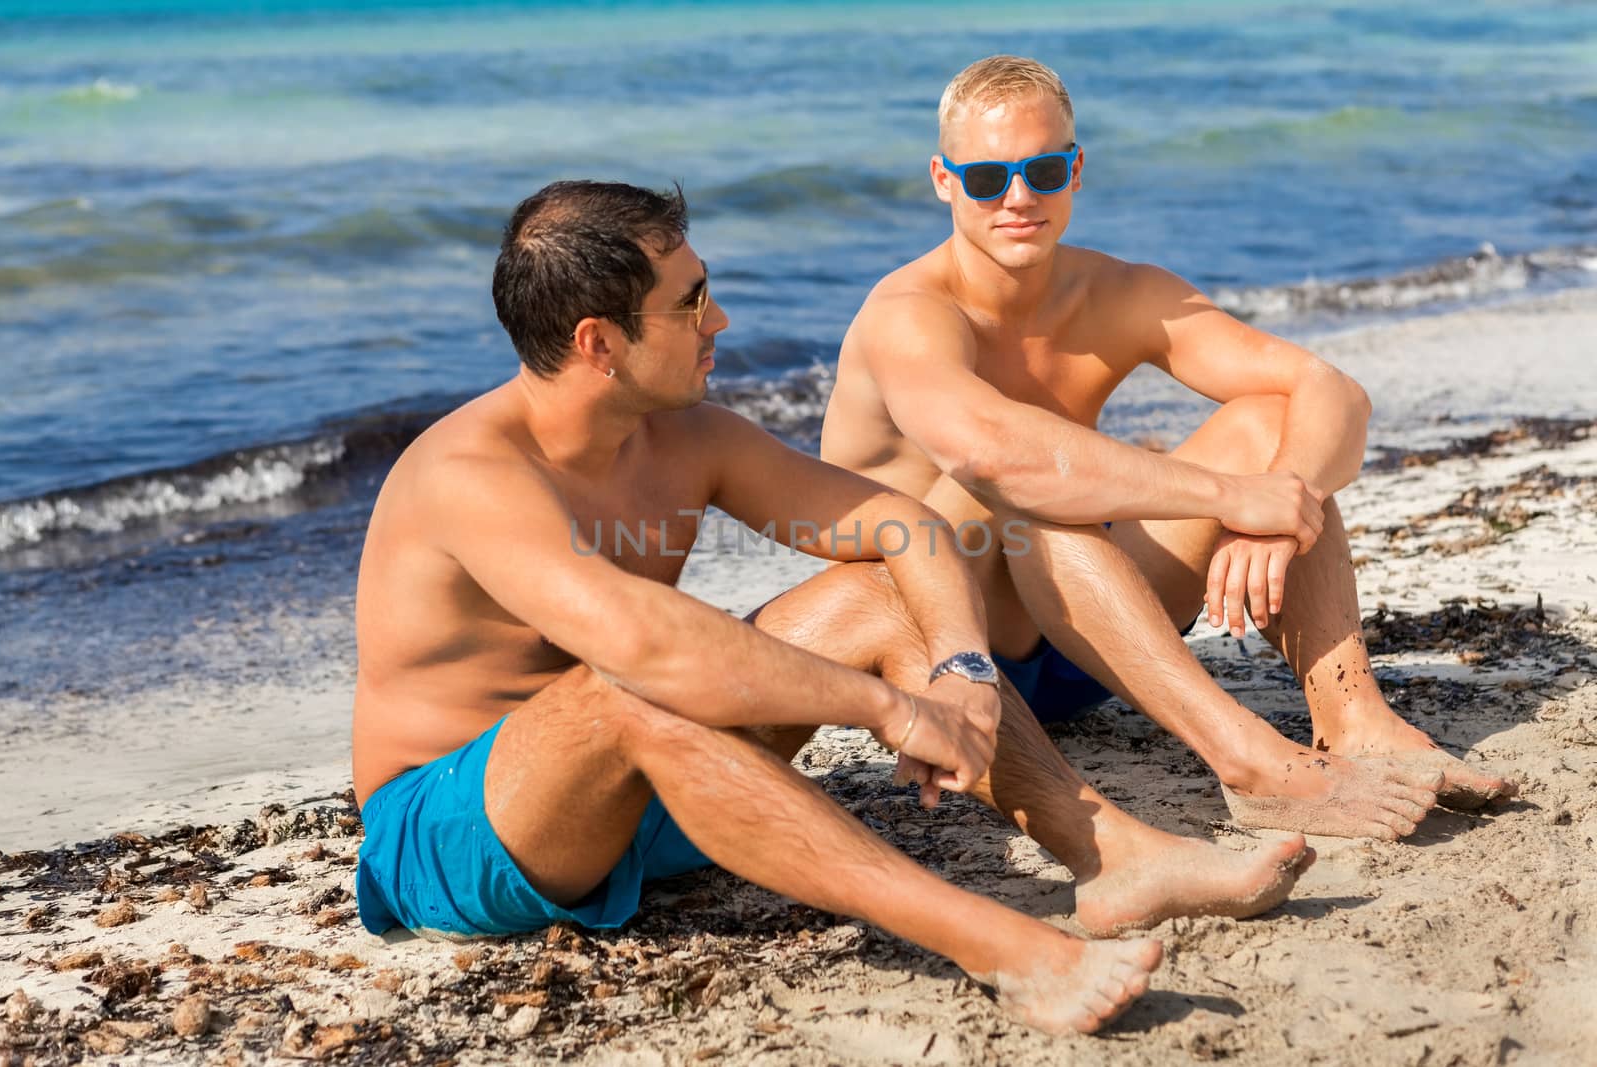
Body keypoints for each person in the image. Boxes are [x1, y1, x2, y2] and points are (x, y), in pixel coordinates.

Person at [350, 180, 1318, 1036]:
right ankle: (999, 944)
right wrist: (892, 710)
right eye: (689, 302)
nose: (718, 318)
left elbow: (900, 525)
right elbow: (646, 643)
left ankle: (1111, 853)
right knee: (627, 688)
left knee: (870, 597)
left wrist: (959, 668)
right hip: (461, 827)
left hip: (655, 784)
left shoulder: (686, 436)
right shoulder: (471, 475)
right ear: (599, 343)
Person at [820, 55, 1515, 841]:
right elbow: (993, 455)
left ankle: (1355, 718)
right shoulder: (908, 315)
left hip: (1097, 636)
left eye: (1042, 170)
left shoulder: (1117, 293)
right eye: (987, 179)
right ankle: (1246, 759)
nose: (1018, 198)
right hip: (949, 654)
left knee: (1267, 426)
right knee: (1024, 490)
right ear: (944, 180)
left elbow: (1332, 391)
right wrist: (1227, 499)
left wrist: (1280, 501)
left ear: (1076, 170)